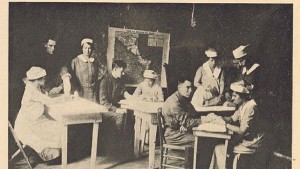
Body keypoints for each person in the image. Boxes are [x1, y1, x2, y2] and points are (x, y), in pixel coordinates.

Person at [14, 67, 71, 162]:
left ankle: (54, 154)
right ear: (37, 80)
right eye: (43, 78)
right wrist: (65, 97)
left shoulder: (34, 87)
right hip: (27, 125)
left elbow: (44, 96)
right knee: (59, 127)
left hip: (33, 120)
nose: (45, 79)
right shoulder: (31, 90)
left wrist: (52, 92)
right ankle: (52, 155)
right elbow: (48, 101)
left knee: (58, 126)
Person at [209, 80, 265, 169]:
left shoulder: (251, 107)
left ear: (242, 96)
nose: (232, 98)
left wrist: (224, 124)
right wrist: (217, 117)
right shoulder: (243, 105)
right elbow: (232, 119)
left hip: (252, 142)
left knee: (219, 148)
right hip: (247, 139)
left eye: (235, 96)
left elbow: (242, 130)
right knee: (219, 147)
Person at [99, 60, 132, 154]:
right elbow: (103, 101)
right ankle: (115, 147)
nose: (123, 73)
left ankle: (122, 145)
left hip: (114, 108)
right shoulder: (105, 81)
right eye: (122, 71)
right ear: (115, 69)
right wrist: (116, 109)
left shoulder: (120, 80)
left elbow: (124, 92)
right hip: (105, 110)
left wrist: (133, 98)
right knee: (120, 116)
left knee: (129, 113)